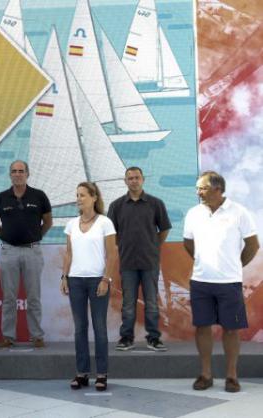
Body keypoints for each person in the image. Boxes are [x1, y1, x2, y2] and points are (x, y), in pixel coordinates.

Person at [184, 171, 259, 393]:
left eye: (202, 188)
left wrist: (234, 265)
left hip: (229, 282)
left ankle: (231, 377)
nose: (198, 192)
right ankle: (205, 375)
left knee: (231, 329)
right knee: (202, 327)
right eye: (197, 188)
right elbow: (188, 243)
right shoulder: (193, 213)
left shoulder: (239, 212)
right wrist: (201, 260)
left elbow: (252, 245)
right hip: (200, 281)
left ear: (217, 189)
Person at [108, 167, 171, 352]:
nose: (134, 181)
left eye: (137, 177)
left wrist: (153, 245)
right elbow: (112, 234)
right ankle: (126, 338)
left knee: (151, 302)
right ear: (125, 181)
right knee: (128, 303)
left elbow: (165, 228)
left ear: (143, 179)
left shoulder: (156, 203)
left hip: (150, 262)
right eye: (130, 178)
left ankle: (153, 338)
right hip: (127, 262)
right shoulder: (116, 206)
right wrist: (123, 245)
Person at [61, 182, 117, 392]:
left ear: (94, 197)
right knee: (80, 328)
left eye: (83, 195)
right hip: (75, 280)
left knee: (100, 328)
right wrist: (64, 276)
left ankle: (101, 374)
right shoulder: (71, 224)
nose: (78, 198)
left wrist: (106, 279)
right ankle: (82, 373)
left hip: (97, 280)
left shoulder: (105, 222)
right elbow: (68, 253)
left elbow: (112, 254)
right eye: (77, 195)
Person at [0, 160, 52, 348]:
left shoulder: (39, 196)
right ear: (10, 174)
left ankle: (37, 336)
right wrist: (6, 238)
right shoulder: (1, 198)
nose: (18, 174)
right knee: (9, 298)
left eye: (21, 171)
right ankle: (8, 336)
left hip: (32, 251)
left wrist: (36, 236)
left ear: (27, 174)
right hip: (9, 252)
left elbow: (48, 221)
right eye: (14, 171)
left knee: (33, 297)